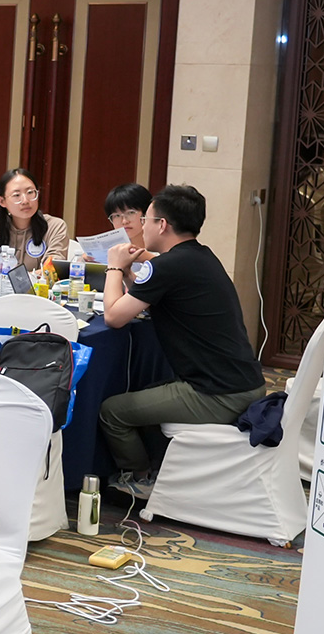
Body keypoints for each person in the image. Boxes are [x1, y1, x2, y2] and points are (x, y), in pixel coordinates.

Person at [99, 184, 266, 499]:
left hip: (220, 393)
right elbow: (154, 293)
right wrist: (130, 274)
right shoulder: (200, 256)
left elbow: (113, 317)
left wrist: (113, 266)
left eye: (146, 220)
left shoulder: (167, 266)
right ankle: (161, 470)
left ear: (162, 225)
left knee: (113, 411)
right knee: (146, 391)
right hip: (242, 381)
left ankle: (140, 480)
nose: (142, 227)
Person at [0, 168, 70, 265]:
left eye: (30, 192)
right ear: (2, 201)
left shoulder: (55, 226)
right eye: (16, 195)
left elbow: (52, 268)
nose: (25, 201)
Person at [71, 182, 153, 264]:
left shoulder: (157, 248)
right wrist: (83, 260)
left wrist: (149, 258)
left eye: (131, 213)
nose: (124, 221)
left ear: (147, 213)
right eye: (117, 215)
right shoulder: (109, 250)